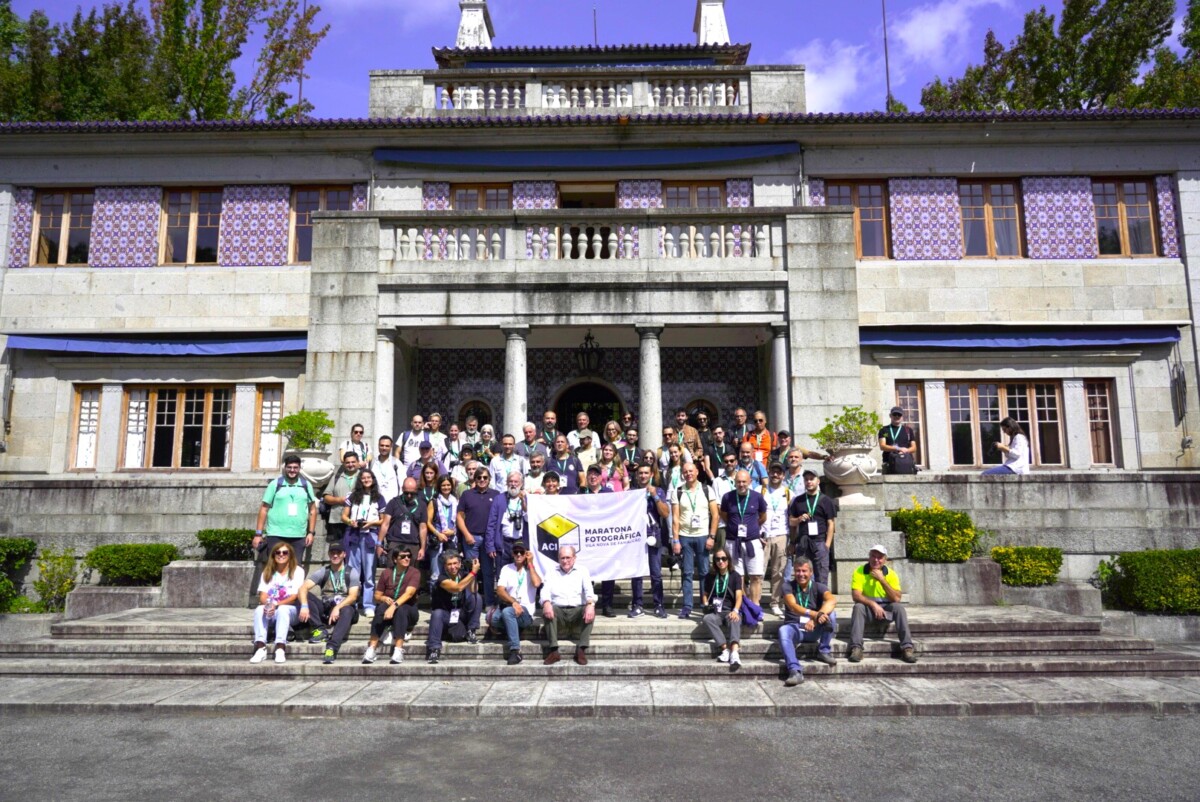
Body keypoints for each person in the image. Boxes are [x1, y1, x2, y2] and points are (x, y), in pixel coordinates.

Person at [848, 545, 917, 664]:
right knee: (858, 607)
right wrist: (873, 605)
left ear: (885, 560)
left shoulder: (891, 574)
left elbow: (896, 598)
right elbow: (856, 596)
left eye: (879, 557)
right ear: (869, 557)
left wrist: (882, 580)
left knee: (899, 608)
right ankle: (856, 648)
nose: (876, 560)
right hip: (869, 611)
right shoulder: (859, 571)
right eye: (873, 556)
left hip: (887, 612)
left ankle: (907, 648)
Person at [778, 557, 838, 685]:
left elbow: (832, 600)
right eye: (798, 571)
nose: (801, 574)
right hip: (794, 628)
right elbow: (793, 606)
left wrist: (817, 618)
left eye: (804, 571)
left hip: (813, 629)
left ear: (811, 572)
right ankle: (795, 670)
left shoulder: (819, 586)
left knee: (831, 615)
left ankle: (824, 651)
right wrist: (814, 614)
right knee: (783, 631)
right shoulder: (787, 586)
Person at [298, 543, 360, 664]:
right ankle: (319, 629)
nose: (335, 555)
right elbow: (303, 588)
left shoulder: (351, 572)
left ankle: (331, 647)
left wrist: (338, 607)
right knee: (304, 595)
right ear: (329, 554)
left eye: (338, 553)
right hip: (327, 609)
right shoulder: (324, 571)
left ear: (344, 554)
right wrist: (304, 606)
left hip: (345, 609)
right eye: (332, 553)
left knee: (347, 610)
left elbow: (353, 596)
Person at [671, 462, 719, 619]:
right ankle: (687, 606)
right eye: (685, 471)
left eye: (691, 471)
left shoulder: (707, 489)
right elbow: (675, 518)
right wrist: (676, 540)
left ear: (697, 472)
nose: (688, 473)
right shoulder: (678, 491)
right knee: (687, 573)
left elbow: (715, 515)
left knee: (705, 571)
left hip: (703, 535)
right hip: (685, 536)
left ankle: (705, 604)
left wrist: (712, 536)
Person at [362, 546, 421, 665]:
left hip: (408, 607)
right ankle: (372, 648)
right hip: (390, 605)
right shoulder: (386, 573)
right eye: (403, 556)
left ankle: (398, 649)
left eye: (409, 556)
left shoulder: (414, 572)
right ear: (395, 559)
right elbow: (377, 595)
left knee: (401, 610)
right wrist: (383, 598)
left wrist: (394, 606)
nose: (407, 559)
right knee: (379, 611)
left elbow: (409, 593)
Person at [253, 454, 317, 563]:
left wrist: (310, 532)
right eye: (289, 467)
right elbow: (264, 509)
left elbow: (313, 510)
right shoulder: (275, 484)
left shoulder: (306, 485)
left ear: (299, 469)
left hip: (298, 535)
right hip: (276, 534)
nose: (292, 470)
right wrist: (258, 534)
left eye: (295, 468)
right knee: (274, 569)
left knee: (295, 569)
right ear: (285, 468)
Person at [250, 541, 305, 664]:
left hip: (291, 611)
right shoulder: (267, 572)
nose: (281, 555)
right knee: (259, 609)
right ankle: (260, 647)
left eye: (285, 552)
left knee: (283, 609)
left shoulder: (297, 571)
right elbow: (263, 595)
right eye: (278, 552)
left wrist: (276, 605)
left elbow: (294, 596)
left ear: (290, 555)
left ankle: (280, 647)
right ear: (273, 555)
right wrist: (268, 605)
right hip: (272, 610)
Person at [541, 545, 597, 665]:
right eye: (562, 558)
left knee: (590, 609)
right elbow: (545, 590)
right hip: (559, 611)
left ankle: (581, 649)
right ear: (558, 559)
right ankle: (554, 651)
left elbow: (589, 591)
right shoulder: (551, 571)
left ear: (574, 558)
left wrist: (590, 604)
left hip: (577, 611)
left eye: (568, 557)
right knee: (548, 608)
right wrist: (546, 602)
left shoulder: (582, 570)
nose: (565, 561)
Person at [487, 541, 542, 664]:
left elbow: (537, 583)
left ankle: (515, 651)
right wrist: (514, 602)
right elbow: (500, 590)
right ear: (512, 554)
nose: (518, 554)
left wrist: (531, 564)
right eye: (516, 552)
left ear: (526, 554)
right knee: (492, 618)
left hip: (526, 611)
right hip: (511, 606)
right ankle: (514, 629)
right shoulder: (506, 568)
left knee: (507, 613)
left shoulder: (532, 569)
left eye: (521, 552)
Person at [719, 469, 768, 604]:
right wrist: (734, 525)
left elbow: (763, 516)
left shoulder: (757, 497)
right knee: (738, 577)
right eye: (738, 482)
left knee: (756, 576)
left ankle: (755, 606)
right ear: (734, 482)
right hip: (733, 541)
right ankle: (744, 606)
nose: (741, 484)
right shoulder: (727, 497)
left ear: (750, 482)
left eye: (744, 482)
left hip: (752, 541)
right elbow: (724, 515)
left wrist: (753, 526)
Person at [341, 468, 384, 615]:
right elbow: (344, 516)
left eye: (369, 477)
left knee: (369, 573)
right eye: (363, 478)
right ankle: (352, 602)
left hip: (370, 536)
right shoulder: (353, 496)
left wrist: (371, 523)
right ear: (360, 480)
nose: (366, 480)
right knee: (353, 571)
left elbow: (383, 520)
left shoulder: (378, 497)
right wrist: (350, 521)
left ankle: (368, 604)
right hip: (354, 535)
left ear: (373, 479)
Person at [629, 463, 669, 618]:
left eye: (646, 473)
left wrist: (655, 496)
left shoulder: (658, 491)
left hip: (654, 536)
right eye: (640, 473)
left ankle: (658, 605)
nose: (643, 476)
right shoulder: (631, 492)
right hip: (635, 539)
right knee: (636, 573)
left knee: (656, 573)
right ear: (637, 475)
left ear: (651, 474)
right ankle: (637, 605)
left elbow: (665, 514)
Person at [426, 551, 482, 664]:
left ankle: (471, 630)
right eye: (449, 564)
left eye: (455, 563)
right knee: (437, 613)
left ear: (460, 563)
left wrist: (473, 574)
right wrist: (473, 572)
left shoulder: (464, 574)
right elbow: (457, 588)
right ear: (445, 566)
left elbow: (474, 590)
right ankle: (434, 649)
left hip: (460, 613)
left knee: (477, 597)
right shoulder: (441, 578)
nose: (453, 567)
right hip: (446, 614)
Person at [485, 470, 529, 608]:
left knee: (521, 573)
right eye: (511, 482)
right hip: (503, 542)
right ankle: (502, 604)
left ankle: (522, 603)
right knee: (501, 574)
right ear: (506, 483)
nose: (513, 484)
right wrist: (490, 545)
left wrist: (523, 501)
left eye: (516, 482)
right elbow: (491, 523)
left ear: (521, 484)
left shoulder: (527, 498)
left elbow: (530, 518)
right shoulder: (499, 498)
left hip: (521, 542)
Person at [788, 469, 838, 586]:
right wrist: (798, 520)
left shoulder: (826, 500)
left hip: (820, 542)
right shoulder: (798, 501)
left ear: (818, 481)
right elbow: (791, 522)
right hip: (803, 542)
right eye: (806, 480)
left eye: (812, 479)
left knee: (821, 577)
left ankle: (822, 602)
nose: (809, 482)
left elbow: (831, 523)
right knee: (802, 575)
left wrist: (827, 545)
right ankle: (804, 602)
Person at [701, 547, 744, 670]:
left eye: (724, 558)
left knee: (735, 619)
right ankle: (725, 649)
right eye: (718, 559)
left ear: (728, 560)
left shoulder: (735, 576)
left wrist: (735, 611)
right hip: (715, 611)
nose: (721, 561)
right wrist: (705, 603)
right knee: (708, 618)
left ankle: (735, 652)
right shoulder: (710, 576)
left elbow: (739, 596)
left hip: (730, 609)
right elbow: (705, 593)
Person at [762, 462, 793, 616]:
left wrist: (791, 540)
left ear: (783, 475)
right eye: (773, 472)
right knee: (758, 572)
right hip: (763, 536)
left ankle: (775, 602)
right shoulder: (760, 491)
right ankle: (755, 601)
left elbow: (791, 517)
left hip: (781, 535)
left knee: (778, 572)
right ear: (769, 473)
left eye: (778, 472)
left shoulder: (788, 493)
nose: (775, 475)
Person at [377, 477, 428, 570]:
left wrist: (423, 548)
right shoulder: (393, 502)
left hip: (413, 545)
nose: (409, 495)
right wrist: (379, 544)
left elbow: (423, 528)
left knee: (411, 576)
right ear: (402, 489)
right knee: (392, 575)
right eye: (406, 493)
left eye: (412, 493)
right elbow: (385, 524)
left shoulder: (422, 505)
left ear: (416, 490)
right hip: (395, 543)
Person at [456, 466, 499, 562]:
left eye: (485, 477)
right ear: (475, 479)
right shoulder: (466, 494)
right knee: (472, 570)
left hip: (489, 539)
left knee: (488, 570)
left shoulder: (496, 494)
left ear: (489, 479)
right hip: (472, 538)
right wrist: (467, 535)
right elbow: (459, 517)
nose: (482, 479)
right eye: (479, 477)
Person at [425, 474, 458, 586]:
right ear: (439, 486)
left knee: (451, 572)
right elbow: (428, 522)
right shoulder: (433, 501)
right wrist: (438, 534)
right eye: (443, 485)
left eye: (448, 485)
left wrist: (453, 531)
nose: (446, 487)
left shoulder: (456, 501)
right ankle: (435, 600)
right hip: (437, 542)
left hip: (451, 541)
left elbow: (460, 521)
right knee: (436, 573)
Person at [322, 451, 360, 546]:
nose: (350, 464)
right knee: (337, 550)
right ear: (343, 464)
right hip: (337, 520)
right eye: (347, 462)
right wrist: (339, 500)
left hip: (356, 521)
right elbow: (326, 497)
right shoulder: (336, 477)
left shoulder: (364, 477)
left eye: (353, 462)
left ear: (358, 462)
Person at [879, 406, 918, 475]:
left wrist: (905, 451)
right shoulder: (884, 430)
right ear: (890, 416)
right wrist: (898, 449)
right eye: (894, 414)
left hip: (905, 464)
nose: (897, 416)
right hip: (889, 464)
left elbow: (914, 448)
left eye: (899, 415)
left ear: (902, 416)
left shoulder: (908, 430)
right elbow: (882, 446)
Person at [370, 436, 402, 503]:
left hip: (393, 504)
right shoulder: (372, 463)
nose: (384, 448)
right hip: (376, 503)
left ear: (391, 447)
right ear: (378, 446)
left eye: (387, 446)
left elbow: (402, 484)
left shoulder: (397, 463)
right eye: (382, 445)